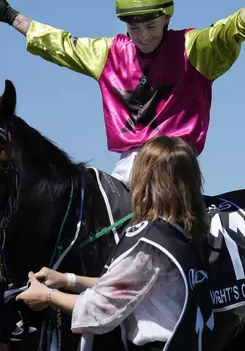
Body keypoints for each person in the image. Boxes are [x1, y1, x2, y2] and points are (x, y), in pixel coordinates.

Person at [0, 0, 245, 187]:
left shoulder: (193, 48)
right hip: (127, 168)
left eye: (151, 26)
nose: (143, 36)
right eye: (135, 28)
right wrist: (13, 17)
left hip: (175, 165)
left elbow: (230, 30)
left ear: (167, 17)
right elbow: (62, 44)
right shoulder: (108, 54)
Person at [15, 135, 214, 350]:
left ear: (144, 182)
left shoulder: (150, 242)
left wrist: (47, 296)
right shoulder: (180, 235)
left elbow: (100, 308)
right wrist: (67, 279)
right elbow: (124, 284)